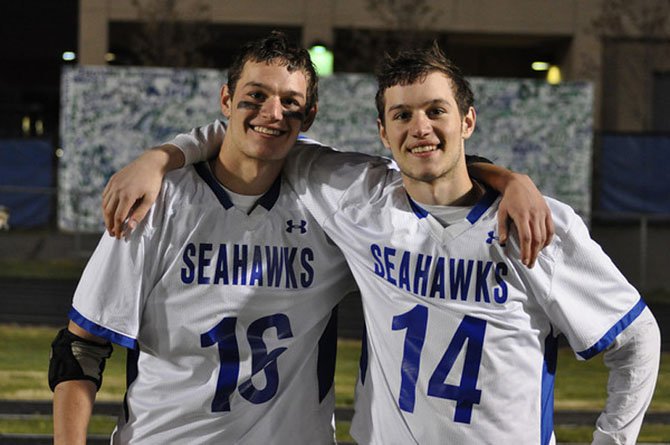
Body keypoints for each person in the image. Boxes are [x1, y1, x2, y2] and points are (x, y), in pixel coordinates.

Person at [104, 43, 661, 444]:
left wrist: (613, 442)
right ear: (383, 132)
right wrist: (162, 156)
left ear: (467, 120)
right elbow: (257, 132)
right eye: (403, 115)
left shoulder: (537, 225)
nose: (420, 127)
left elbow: (637, 340)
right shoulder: (358, 199)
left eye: (436, 111)